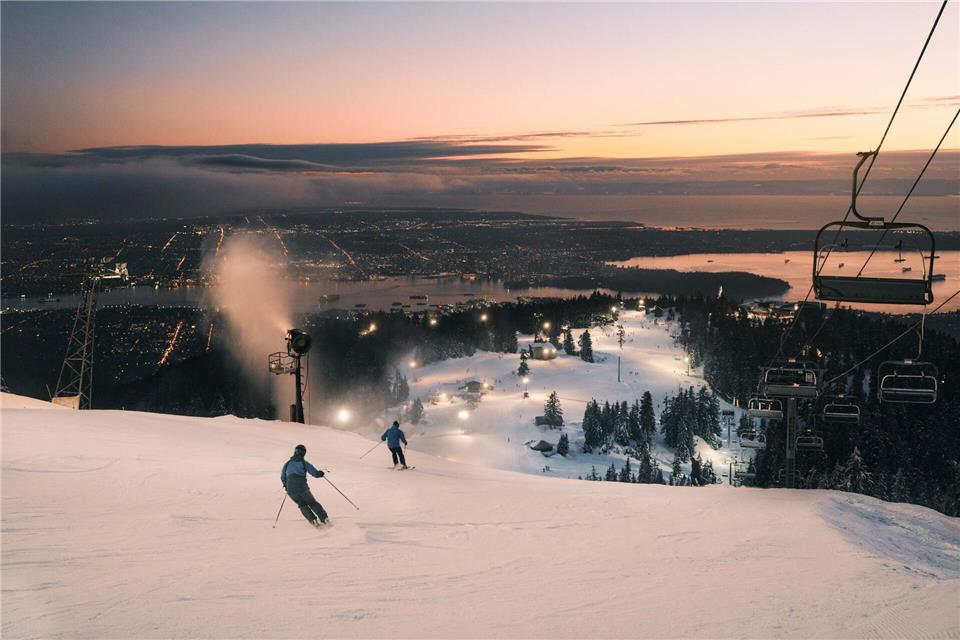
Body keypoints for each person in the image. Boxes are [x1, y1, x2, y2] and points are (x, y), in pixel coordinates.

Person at [281, 444, 328, 526]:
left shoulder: (287, 463)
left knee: (302, 504)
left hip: (290, 490)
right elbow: (315, 473)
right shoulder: (304, 463)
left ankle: (312, 520)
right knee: (312, 502)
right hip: (302, 487)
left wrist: (286, 485)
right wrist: (320, 473)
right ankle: (324, 518)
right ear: (304, 453)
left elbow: (282, 476)